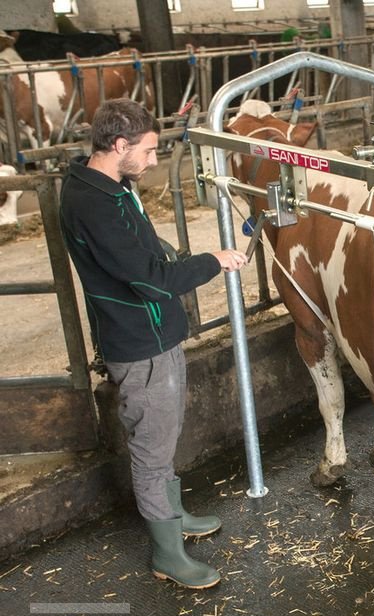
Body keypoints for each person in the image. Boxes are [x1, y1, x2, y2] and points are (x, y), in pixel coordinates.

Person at [60, 99, 249, 590]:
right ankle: (168, 554)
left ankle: (175, 514)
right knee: (151, 446)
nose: (152, 160)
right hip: (138, 340)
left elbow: (142, 252)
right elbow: (148, 279)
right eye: (147, 151)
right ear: (118, 145)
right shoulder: (93, 204)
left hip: (155, 330)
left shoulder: (111, 185)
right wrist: (211, 261)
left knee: (165, 434)